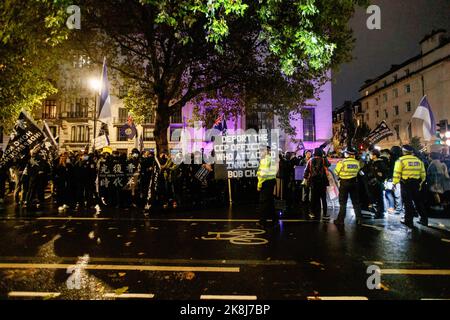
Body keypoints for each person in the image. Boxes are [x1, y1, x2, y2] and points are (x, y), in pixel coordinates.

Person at [393, 145, 427, 228]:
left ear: (404, 152)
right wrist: (421, 183)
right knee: (418, 202)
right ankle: (424, 220)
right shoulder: (418, 160)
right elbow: (423, 174)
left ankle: (409, 221)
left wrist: (395, 183)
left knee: (408, 203)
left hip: (405, 184)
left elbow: (397, 173)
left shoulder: (400, 160)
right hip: (416, 183)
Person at [333, 147, 363, 225]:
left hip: (344, 183)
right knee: (356, 202)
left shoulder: (342, 162)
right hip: (354, 183)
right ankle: (359, 219)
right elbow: (359, 172)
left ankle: (340, 220)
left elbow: (336, 172)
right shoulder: (357, 162)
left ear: (347, 154)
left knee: (343, 203)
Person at [303, 148, 329, 220]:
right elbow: (328, 165)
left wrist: (305, 179)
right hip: (322, 182)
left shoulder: (310, 161)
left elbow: (306, 171)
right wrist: (325, 156)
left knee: (313, 198)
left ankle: (312, 213)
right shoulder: (324, 160)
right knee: (323, 198)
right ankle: (325, 214)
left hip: (313, 182)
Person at [257, 146, 278, 227]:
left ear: (266, 151)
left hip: (266, 182)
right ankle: (274, 219)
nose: (260, 152)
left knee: (263, 202)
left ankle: (262, 222)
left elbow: (263, 174)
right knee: (269, 202)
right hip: (271, 181)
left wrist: (259, 185)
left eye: (261, 151)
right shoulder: (271, 159)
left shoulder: (265, 160)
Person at [366, 149, 388, 219]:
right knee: (375, 198)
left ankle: (380, 213)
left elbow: (384, 173)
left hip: (378, 183)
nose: (370, 156)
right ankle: (377, 211)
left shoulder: (380, 163)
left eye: (371, 154)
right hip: (372, 183)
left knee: (379, 198)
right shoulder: (371, 162)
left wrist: (379, 177)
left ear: (374, 155)